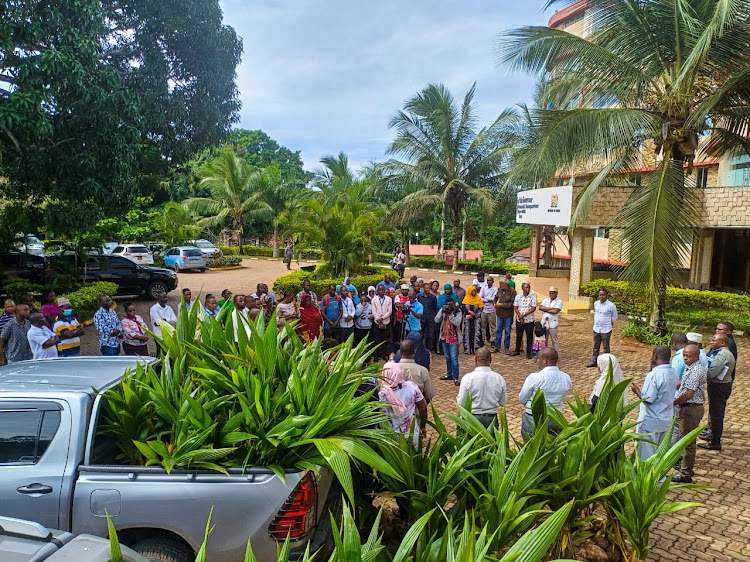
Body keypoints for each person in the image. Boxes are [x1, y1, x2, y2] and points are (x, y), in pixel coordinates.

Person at [630, 346, 680, 460]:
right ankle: (660, 478)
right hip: (666, 419)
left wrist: (637, 390)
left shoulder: (654, 375)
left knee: (646, 456)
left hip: (651, 421)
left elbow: (648, 400)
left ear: (655, 356)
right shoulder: (673, 372)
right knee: (660, 455)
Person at [519, 348, 572, 441]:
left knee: (531, 450)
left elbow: (522, 398)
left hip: (534, 419)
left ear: (545, 360)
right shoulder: (566, 377)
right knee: (552, 451)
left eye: (538, 358)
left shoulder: (534, 378)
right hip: (555, 419)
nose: (537, 361)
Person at [672, 343, 707, 483]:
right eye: (684, 355)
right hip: (688, 408)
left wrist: (673, 402)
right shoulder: (691, 367)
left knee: (687, 442)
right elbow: (682, 383)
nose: (685, 358)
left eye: (688, 356)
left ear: (696, 356)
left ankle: (685, 473)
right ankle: (687, 468)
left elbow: (688, 394)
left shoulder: (696, 370)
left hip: (690, 409)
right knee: (686, 440)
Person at [701, 322, 738, 443]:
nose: (711, 342)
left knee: (717, 413)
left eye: (714, 341)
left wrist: (698, 374)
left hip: (720, 386)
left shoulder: (724, 354)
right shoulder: (719, 350)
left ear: (722, 342)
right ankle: (712, 434)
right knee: (714, 411)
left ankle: (714, 441)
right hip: (717, 384)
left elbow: (711, 373)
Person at [379, 361, 428, 448]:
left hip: (393, 437)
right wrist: (422, 427)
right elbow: (423, 409)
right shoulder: (412, 387)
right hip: (412, 434)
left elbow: (384, 417)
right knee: (415, 459)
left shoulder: (383, 394)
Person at [457, 347, 507, 428]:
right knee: (491, 441)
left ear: (475, 360)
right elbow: (503, 402)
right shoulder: (499, 378)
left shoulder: (468, 378)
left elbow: (461, 403)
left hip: (472, 419)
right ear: (490, 360)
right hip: (491, 420)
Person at [395, 339, 436, 403]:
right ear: (414, 352)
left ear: (400, 353)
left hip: (394, 412)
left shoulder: (390, 370)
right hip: (417, 411)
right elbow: (429, 395)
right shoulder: (423, 371)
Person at [587, 289, 618, 367]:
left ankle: (607, 363)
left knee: (606, 347)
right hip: (596, 328)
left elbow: (615, 316)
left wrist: (610, 321)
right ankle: (594, 361)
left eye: (603, 295)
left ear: (606, 296)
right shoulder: (596, 303)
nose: (601, 296)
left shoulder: (611, 305)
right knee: (595, 346)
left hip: (606, 329)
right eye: (600, 295)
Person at [436, 298, 462, 383]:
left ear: (454, 304)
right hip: (444, 337)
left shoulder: (458, 312)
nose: (449, 307)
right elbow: (436, 320)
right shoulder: (443, 310)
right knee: (447, 357)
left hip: (454, 338)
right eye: (448, 305)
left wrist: (450, 314)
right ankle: (449, 374)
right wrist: (441, 311)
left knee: (454, 358)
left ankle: (455, 377)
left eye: (451, 305)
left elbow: (457, 323)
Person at [511, 282, 536, 359]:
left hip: (529, 320)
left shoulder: (533, 296)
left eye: (528, 287)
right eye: (526, 287)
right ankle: (517, 350)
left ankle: (529, 352)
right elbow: (515, 306)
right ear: (522, 288)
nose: (527, 289)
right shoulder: (518, 296)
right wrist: (520, 315)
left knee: (529, 336)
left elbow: (533, 308)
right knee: (519, 335)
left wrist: (524, 315)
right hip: (519, 319)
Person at [493, 276, 516, 355]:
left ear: (505, 284)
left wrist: (501, 305)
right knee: (498, 330)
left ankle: (506, 348)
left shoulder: (512, 291)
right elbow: (495, 297)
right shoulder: (499, 290)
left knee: (507, 331)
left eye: (501, 284)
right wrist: (494, 303)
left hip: (508, 315)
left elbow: (512, 304)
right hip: (499, 314)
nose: (499, 285)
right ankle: (497, 347)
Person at [371, 285, 392, 360]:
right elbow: (373, 310)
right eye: (379, 290)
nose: (381, 291)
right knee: (377, 339)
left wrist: (382, 318)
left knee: (385, 339)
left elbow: (389, 311)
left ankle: (385, 354)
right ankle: (376, 355)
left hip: (386, 321)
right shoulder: (374, 299)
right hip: (377, 322)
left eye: (382, 290)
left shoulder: (389, 299)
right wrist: (378, 319)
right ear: (377, 291)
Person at [538, 286, 563, 351]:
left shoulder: (559, 301)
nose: (551, 294)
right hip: (544, 323)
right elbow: (540, 308)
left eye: (553, 293)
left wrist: (545, 309)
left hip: (553, 324)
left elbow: (555, 311)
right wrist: (550, 308)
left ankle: (556, 354)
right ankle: (543, 354)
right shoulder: (546, 300)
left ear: (556, 293)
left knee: (554, 340)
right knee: (543, 339)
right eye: (550, 293)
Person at [462, 285, 483, 355]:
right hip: (468, 318)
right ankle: (468, 349)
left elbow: (481, 309)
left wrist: (475, 315)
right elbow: (463, 308)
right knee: (467, 333)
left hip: (476, 319)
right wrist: (469, 312)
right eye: (472, 291)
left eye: (474, 291)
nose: (474, 292)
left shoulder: (478, 298)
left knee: (476, 333)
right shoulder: (466, 299)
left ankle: (475, 349)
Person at [417, 281, 437, 351]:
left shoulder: (433, 297)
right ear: (423, 289)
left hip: (430, 319)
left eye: (429, 288)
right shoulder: (419, 296)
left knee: (430, 336)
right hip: (422, 319)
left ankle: (428, 350)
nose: (428, 289)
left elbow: (435, 308)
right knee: (421, 335)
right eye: (426, 288)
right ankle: (421, 349)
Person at [479, 276, 497, 347]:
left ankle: (493, 340)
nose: (489, 281)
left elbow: (494, 298)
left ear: (493, 281)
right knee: (483, 326)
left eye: (490, 280)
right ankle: (483, 340)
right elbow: (480, 297)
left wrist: (485, 299)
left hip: (492, 310)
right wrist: (488, 300)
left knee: (493, 326)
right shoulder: (483, 288)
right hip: (484, 310)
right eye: (488, 280)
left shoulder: (495, 289)